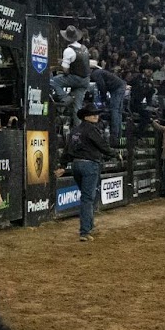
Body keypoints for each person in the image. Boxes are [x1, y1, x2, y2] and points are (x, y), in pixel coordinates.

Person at [62, 103, 114, 241]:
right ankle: (85, 231)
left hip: (76, 165)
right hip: (89, 165)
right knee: (87, 198)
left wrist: (62, 165)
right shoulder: (92, 130)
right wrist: (114, 153)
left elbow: (67, 149)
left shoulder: (75, 130)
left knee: (87, 197)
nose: (96, 116)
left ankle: (89, 226)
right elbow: (102, 145)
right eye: (93, 114)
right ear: (86, 117)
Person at [51, 26, 92, 121]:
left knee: (53, 81)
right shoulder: (84, 48)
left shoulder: (68, 50)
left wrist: (62, 64)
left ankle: (65, 98)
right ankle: (79, 131)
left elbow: (65, 70)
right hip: (85, 80)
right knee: (77, 108)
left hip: (76, 78)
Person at [89, 59, 128, 151]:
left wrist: (104, 99)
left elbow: (102, 86)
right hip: (120, 86)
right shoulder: (100, 72)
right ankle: (118, 135)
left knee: (114, 110)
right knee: (118, 111)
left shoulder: (96, 74)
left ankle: (114, 136)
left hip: (117, 88)